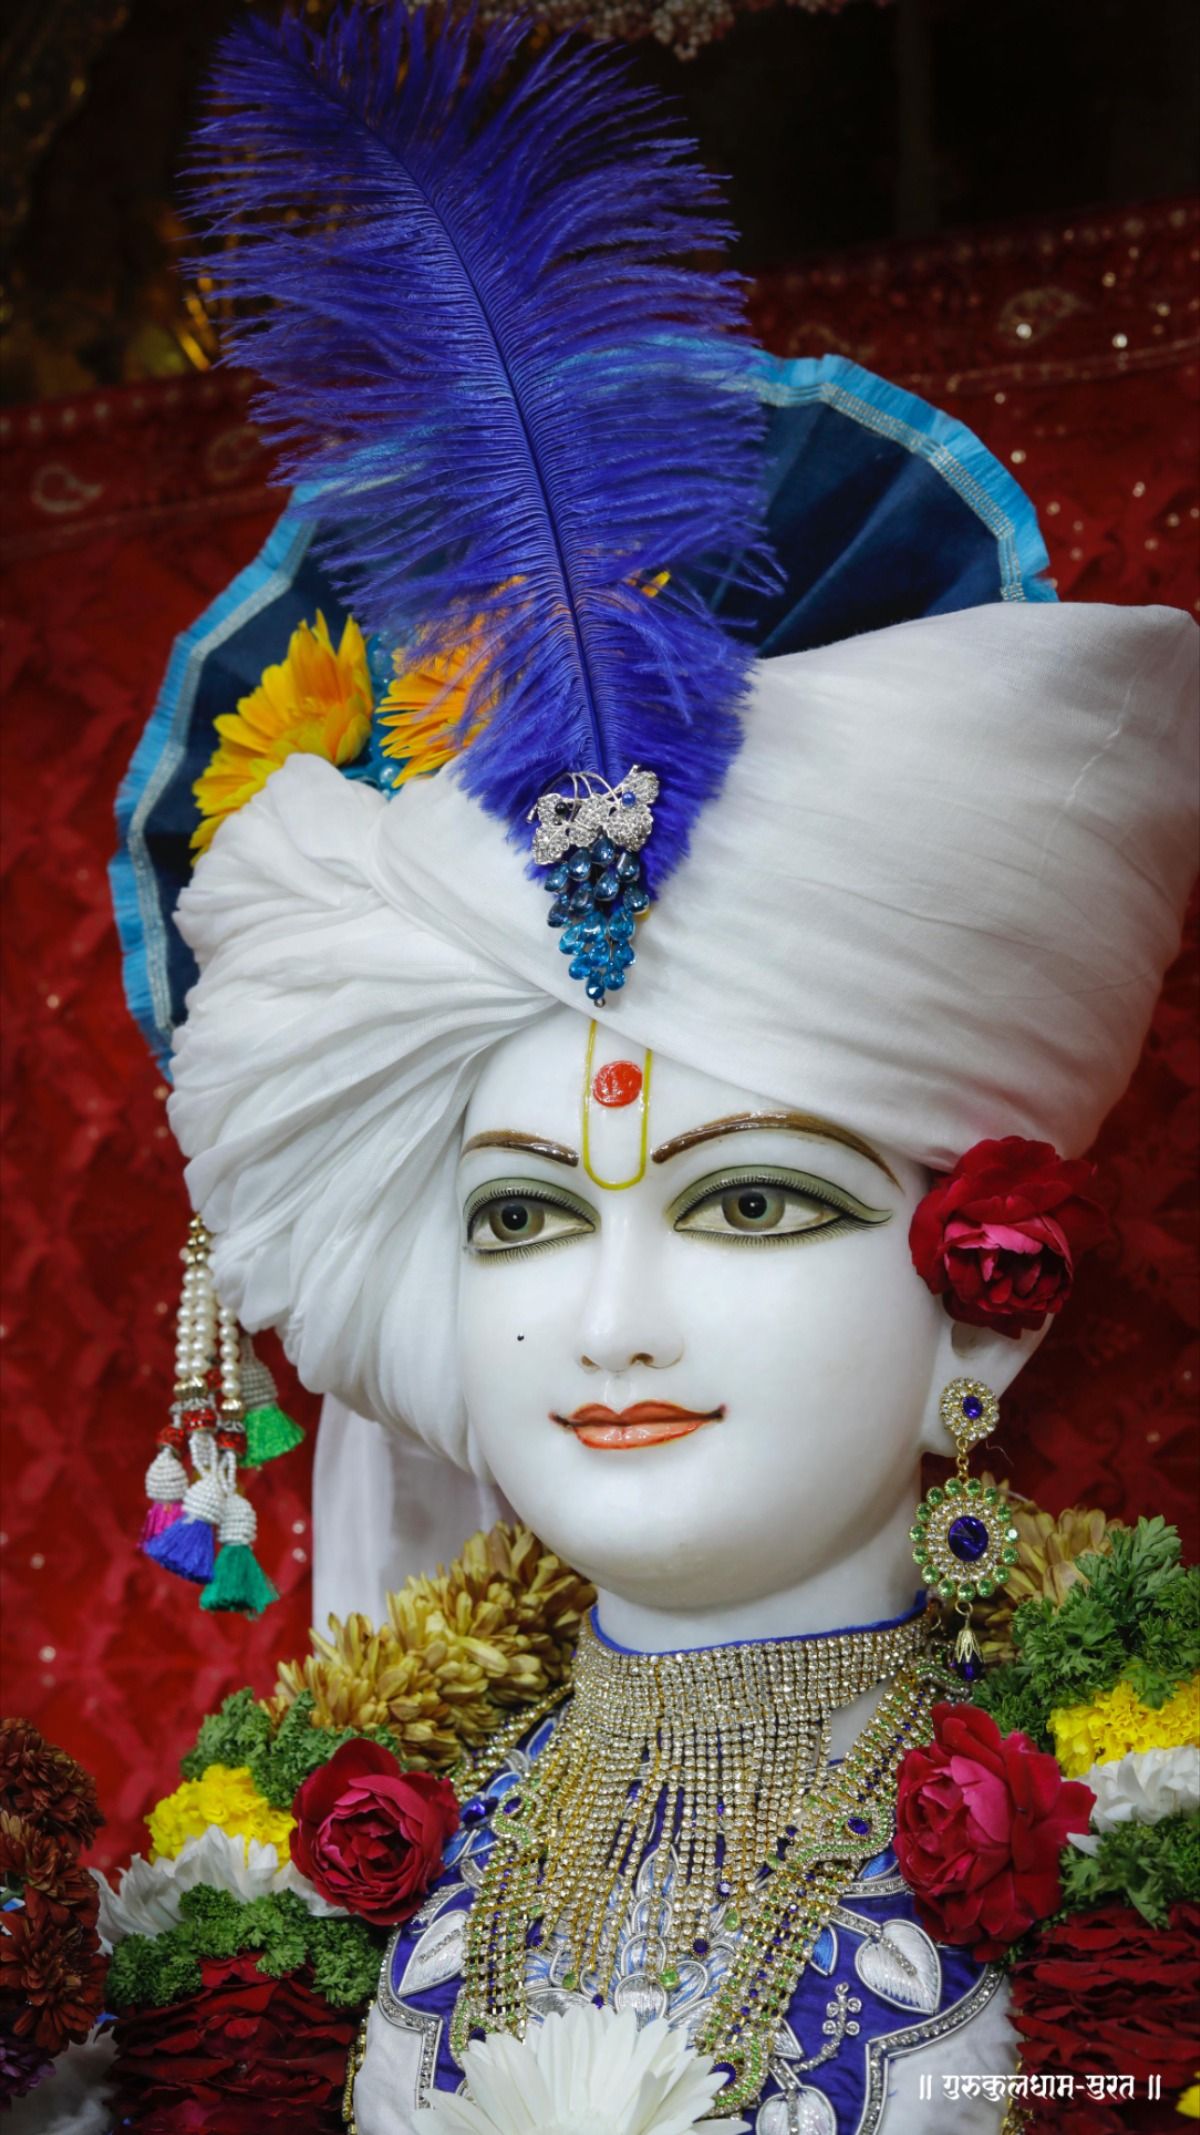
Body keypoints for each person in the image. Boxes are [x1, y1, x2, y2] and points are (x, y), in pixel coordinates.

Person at [112, 6, 1197, 2126]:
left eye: (751, 1200)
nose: (609, 1320)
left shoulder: (1131, 1845)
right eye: (523, 1217)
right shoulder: (287, 1879)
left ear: (985, 1293)